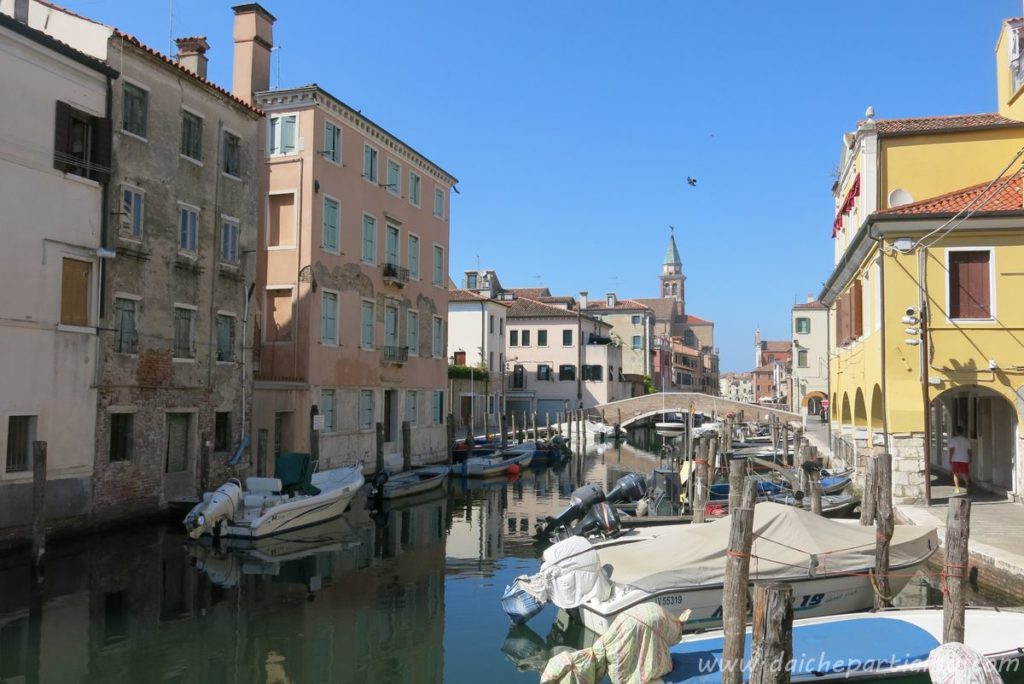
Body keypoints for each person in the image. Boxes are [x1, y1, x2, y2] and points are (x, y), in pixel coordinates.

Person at [948, 427, 972, 493]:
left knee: (956, 474)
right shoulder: (966, 440)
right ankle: (967, 486)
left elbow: (951, 450)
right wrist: (970, 458)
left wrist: (950, 458)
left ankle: (957, 488)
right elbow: (969, 451)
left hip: (955, 459)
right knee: (965, 474)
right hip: (964, 459)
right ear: (963, 432)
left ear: (956, 432)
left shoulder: (953, 440)